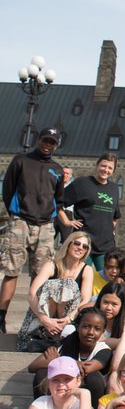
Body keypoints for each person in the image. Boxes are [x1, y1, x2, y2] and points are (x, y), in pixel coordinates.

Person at [0, 127, 66, 335]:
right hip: (21, 221)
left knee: (41, 276)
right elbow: (8, 189)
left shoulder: (57, 169)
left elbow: (59, 198)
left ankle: (33, 323)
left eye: (52, 143)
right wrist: (16, 211)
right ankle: (1, 317)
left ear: (56, 145)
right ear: (38, 140)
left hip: (45, 224)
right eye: (45, 141)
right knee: (12, 271)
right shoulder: (21, 161)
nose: (48, 145)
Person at [16, 230, 93, 353]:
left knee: (69, 284)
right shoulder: (52, 265)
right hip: (43, 318)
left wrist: (68, 319)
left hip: (69, 319)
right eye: (77, 243)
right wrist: (45, 320)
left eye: (84, 246)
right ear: (68, 244)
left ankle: (58, 331)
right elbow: (32, 294)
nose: (80, 248)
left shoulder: (87, 269)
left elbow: (85, 300)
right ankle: (46, 330)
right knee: (59, 284)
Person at [28, 307, 112, 409]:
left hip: (85, 398)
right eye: (86, 326)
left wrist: (57, 361)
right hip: (61, 392)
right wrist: (60, 362)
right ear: (77, 327)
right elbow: (32, 367)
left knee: (93, 378)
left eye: (97, 329)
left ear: (103, 331)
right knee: (41, 374)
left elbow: (86, 369)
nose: (91, 332)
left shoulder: (103, 350)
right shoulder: (68, 341)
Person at [59, 154, 121, 271]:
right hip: (83, 243)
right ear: (97, 165)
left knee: (105, 282)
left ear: (113, 171)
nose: (106, 170)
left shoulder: (114, 188)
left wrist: (110, 228)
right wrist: (67, 221)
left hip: (105, 245)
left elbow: (116, 215)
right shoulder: (81, 183)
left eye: (110, 168)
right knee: (79, 278)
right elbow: (58, 203)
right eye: (103, 166)